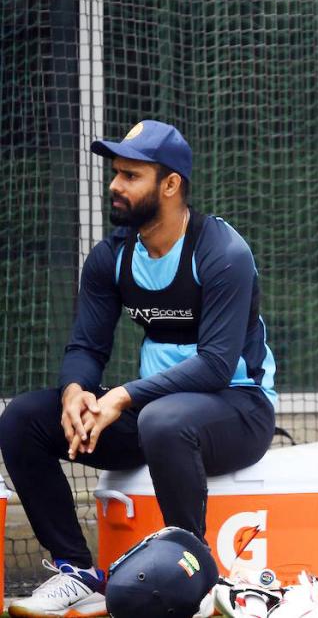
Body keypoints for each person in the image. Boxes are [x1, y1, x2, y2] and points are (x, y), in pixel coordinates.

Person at [0, 120, 278, 618]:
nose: (115, 185)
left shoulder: (222, 253)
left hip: (239, 408)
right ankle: (76, 571)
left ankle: (191, 569)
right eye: (115, 173)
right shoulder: (112, 256)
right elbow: (87, 344)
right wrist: (76, 392)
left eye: (131, 175)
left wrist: (123, 396)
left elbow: (215, 365)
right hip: (157, 410)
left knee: (163, 419)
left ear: (170, 184)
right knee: (23, 419)